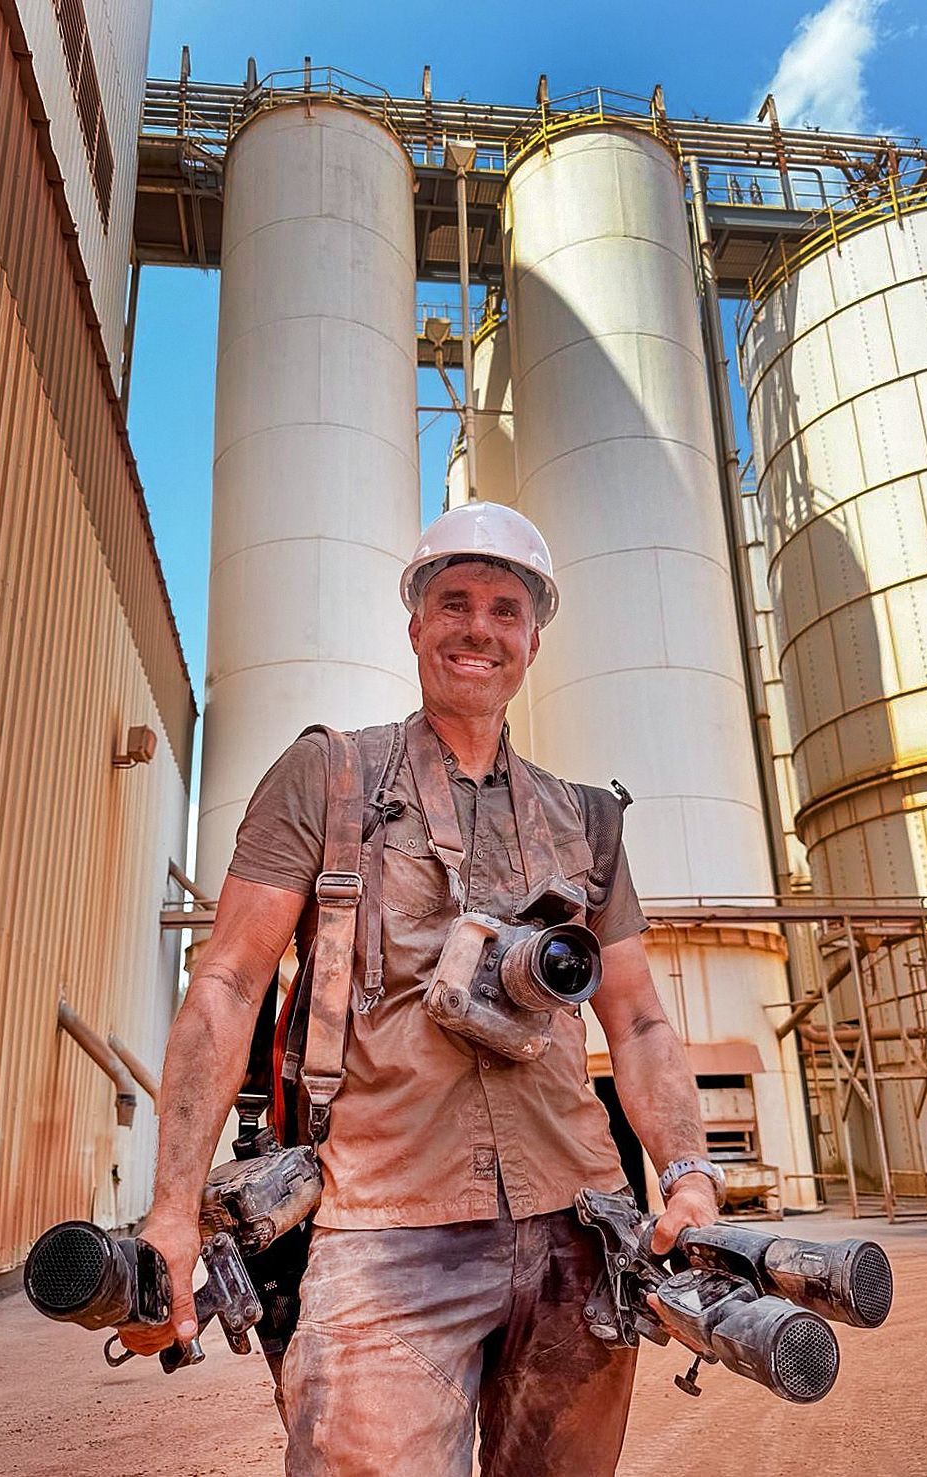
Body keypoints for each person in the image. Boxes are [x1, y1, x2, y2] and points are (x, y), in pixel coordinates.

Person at [122, 503, 722, 1475]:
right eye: (453, 603)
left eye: (503, 608)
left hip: (578, 1224)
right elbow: (229, 980)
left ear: (533, 637)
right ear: (414, 626)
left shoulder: (585, 822)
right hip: (385, 1227)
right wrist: (171, 1207)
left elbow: (642, 1018)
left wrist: (690, 1172)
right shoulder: (329, 776)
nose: (477, 627)